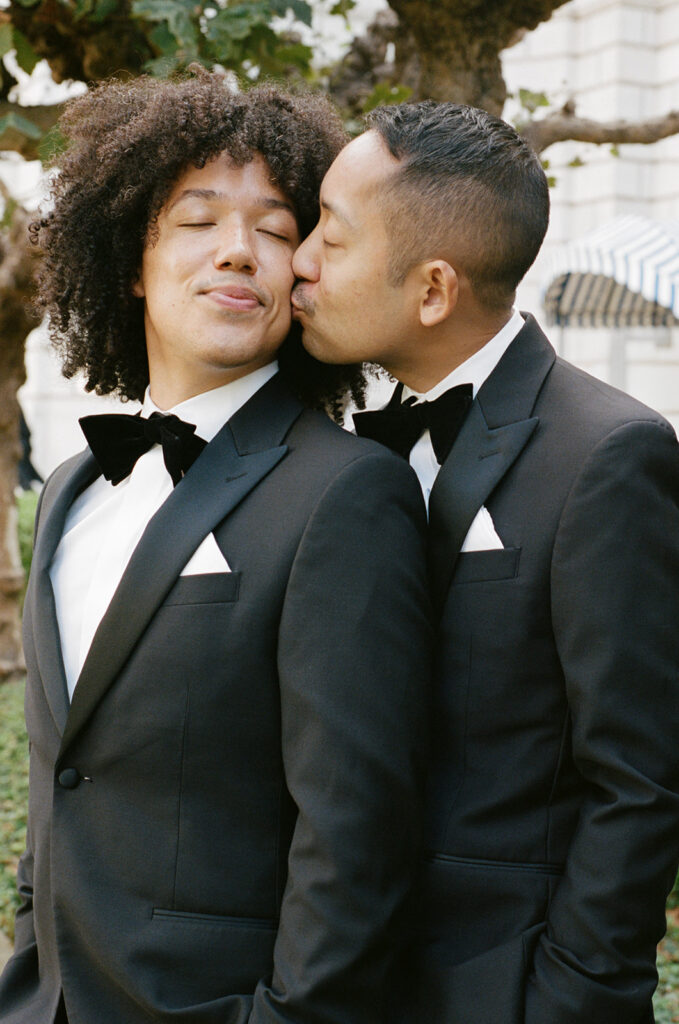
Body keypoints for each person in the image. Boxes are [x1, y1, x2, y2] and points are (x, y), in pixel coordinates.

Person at [0, 72, 432, 1024]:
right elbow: (63, 777)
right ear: (130, 258)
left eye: (277, 231)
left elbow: (356, 833)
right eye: (198, 221)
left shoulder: (345, 493)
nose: (238, 252)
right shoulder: (72, 486)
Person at [292, 100, 679, 1024]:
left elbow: (641, 779)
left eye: (330, 239)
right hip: (338, 981)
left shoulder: (607, 454)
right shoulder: (337, 446)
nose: (298, 261)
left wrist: (568, 1000)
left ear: (432, 290)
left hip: (504, 988)